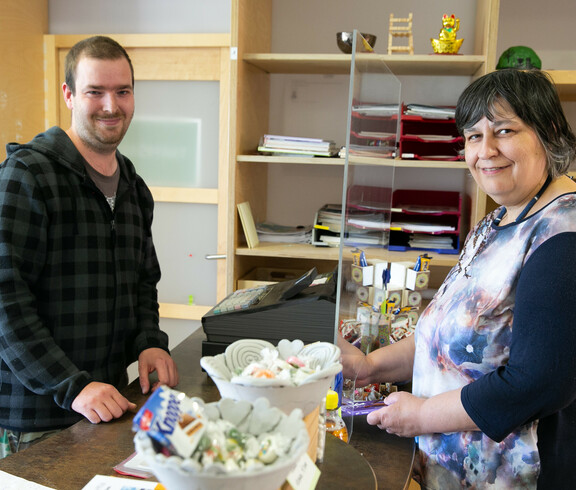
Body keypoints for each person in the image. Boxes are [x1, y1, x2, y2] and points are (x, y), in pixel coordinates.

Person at [340, 68, 576, 489]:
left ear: (550, 131)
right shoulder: (498, 221)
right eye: (473, 136)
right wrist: (370, 366)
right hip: (452, 469)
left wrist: (421, 415)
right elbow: (451, 336)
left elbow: (538, 382)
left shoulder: (562, 233)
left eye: (504, 130)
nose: (485, 150)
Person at [0, 36, 179, 457]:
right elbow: (6, 299)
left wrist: (149, 340)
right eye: (94, 92)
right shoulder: (27, 176)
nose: (110, 106)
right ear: (69, 95)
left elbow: (142, 281)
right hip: (37, 421)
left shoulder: (134, 188)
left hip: (107, 407)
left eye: (122, 91)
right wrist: (73, 385)